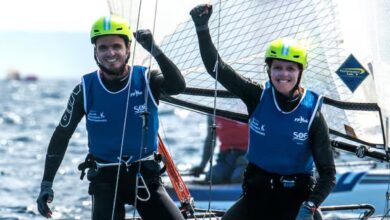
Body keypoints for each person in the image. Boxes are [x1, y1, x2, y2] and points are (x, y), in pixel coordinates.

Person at [190, 5, 336, 220]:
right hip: (257, 196)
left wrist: (311, 206)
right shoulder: (256, 95)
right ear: (268, 69)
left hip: (297, 200)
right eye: (277, 67)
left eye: (290, 68)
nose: (283, 74)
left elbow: (328, 174)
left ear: (300, 72)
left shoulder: (312, 112)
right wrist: (202, 28)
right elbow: (216, 68)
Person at [36, 15, 186, 220]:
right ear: (95, 52)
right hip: (105, 181)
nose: (110, 53)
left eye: (116, 46)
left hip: (145, 177)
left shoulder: (147, 79)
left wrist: (154, 49)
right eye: (103, 48)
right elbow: (61, 135)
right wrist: (46, 184)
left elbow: (178, 86)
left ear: (128, 49)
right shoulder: (84, 90)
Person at [191, 115, 248, 184]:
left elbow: (261, 137)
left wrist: (248, 158)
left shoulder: (247, 108)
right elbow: (210, 141)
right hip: (225, 159)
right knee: (211, 179)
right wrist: (202, 166)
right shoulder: (212, 112)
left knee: (238, 179)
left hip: (246, 158)